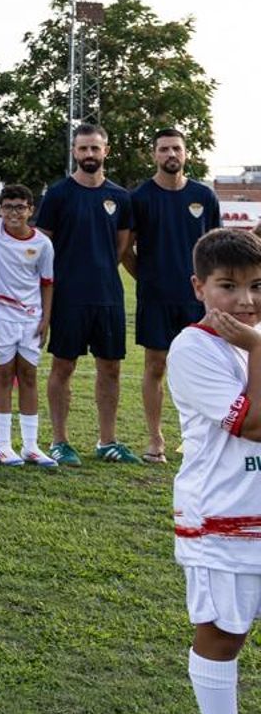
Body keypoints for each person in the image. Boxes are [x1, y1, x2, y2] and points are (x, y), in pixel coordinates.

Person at [166, 228, 261, 714]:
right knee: (224, 635)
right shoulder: (194, 348)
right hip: (223, 516)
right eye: (228, 285)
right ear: (199, 286)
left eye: (258, 286)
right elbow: (253, 424)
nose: (245, 300)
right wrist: (257, 347)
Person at [34, 122, 138, 466]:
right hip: (68, 296)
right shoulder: (58, 195)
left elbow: (123, 247)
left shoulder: (121, 197)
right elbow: (42, 246)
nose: (89, 154)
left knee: (111, 368)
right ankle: (60, 441)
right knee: (63, 366)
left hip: (108, 295)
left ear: (106, 151)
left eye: (95, 148)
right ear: (74, 152)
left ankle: (107, 441)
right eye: (83, 149)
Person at [125, 127, 221, 463]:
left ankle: (198, 439)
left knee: (205, 367)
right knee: (155, 366)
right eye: (164, 149)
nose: (171, 155)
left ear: (186, 153)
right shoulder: (140, 197)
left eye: (176, 149)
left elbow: (215, 248)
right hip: (156, 298)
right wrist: (148, 278)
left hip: (198, 299)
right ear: (154, 155)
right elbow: (125, 250)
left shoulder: (203, 196)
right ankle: (156, 441)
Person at [0, 184, 59, 468]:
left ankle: (30, 445)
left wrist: (46, 319)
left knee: (28, 375)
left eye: (20, 207)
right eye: (8, 207)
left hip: (31, 317)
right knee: (3, 375)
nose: (14, 213)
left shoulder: (42, 244)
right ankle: (2, 446)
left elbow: (47, 284)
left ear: (30, 210)